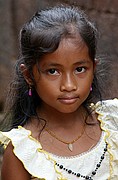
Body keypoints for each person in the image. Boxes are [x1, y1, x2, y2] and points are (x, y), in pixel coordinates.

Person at [0, 4, 118, 180]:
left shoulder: (113, 123)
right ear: (29, 75)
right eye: (53, 71)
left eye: (80, 69)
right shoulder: (23, 153)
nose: (69, 85)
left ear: (93, 68)